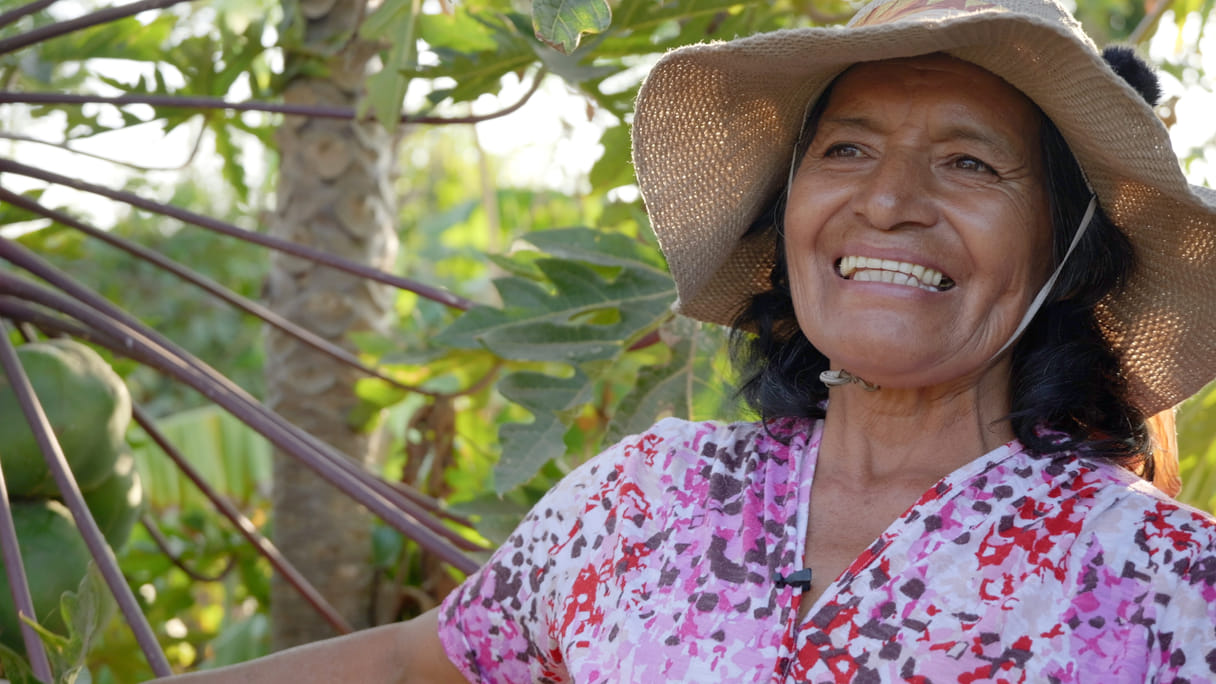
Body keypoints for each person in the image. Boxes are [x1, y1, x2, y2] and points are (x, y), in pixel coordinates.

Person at [156, 0, 1216, 680]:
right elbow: (413, 663)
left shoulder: (1170, 586)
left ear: (1070, 252)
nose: (888, 201)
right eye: (845, 149)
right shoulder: (646, 496)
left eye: (969, 164)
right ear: (785, 211)